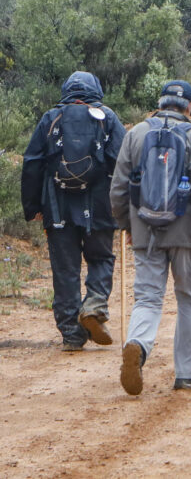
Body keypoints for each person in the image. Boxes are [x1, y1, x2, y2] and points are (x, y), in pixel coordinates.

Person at [110, 80, 191, 394]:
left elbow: (118, 189)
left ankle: (137, 344)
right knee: (188, 298)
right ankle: (187, 372)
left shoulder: (135, 133)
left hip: (145, 228)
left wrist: (128, 226)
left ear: (160, 102)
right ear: (189, 106)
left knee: (147, 297)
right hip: (185, 231)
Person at [21, 71, 125, 351]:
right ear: (97, 90)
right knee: (101, 258)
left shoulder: (49, 119)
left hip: (58, 208)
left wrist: (32, 208)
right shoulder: (108, 118)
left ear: (66, 90)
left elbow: (32, 164)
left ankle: (71, 334)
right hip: (101, 206)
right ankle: (93, 305)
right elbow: (123, 162)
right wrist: (127, 205)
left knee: (65, 270)